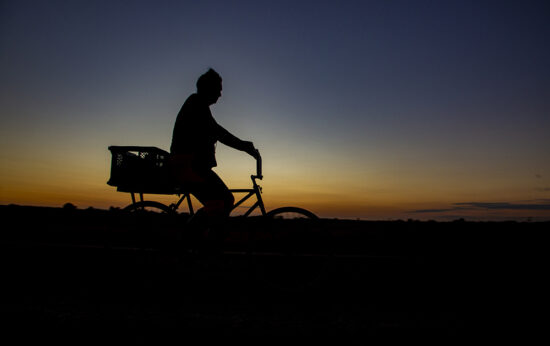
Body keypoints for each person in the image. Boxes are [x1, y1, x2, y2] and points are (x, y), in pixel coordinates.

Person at [170, 68, 260, 225]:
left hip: (196, 167)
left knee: (226, 200)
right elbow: (218, 132)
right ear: (208, 88)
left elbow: (215, 131)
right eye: (218, 90)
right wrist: (244, 146)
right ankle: (190, 238)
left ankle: (209, 240)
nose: (220, 94)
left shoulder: (199, 105)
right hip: (188, 168)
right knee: (219, 202)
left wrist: (244, 146)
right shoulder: (196, 104)